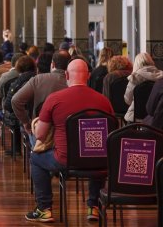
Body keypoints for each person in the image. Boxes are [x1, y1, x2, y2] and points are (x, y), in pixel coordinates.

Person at [25, 59, 114, 222]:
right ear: (88, 76)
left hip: (65, 160)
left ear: (66, 75)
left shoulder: (54, 99)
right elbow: (111, 133)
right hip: (100, 161)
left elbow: (40, 135)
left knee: (35, 159)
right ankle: (94, 206)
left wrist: (36, 123)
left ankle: (44, 208)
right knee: (97, 154)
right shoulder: (103, 100)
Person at [11, 50, 71, 137]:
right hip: (67, 132)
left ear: (53, 64)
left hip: (41, 133)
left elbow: (15, 100)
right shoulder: (73, 81)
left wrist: (26, 122)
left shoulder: (38, 79)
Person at [123, 52, 163, 123]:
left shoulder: (134, 78)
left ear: (136, 64)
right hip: (156, 116)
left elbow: (128, 100)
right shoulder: (161, 76)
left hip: (136, 116)